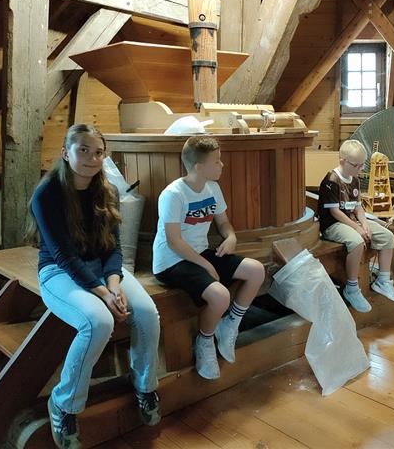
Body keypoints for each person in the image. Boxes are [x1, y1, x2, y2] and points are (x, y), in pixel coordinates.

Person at [29, 124, 161, 449]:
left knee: (147, 313)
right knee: (98, 321)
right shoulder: (47, 194)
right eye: (83, 150)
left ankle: (144, 385)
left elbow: (113, 248)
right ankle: (64, 403)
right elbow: (64, 255)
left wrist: (114, 284)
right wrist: (103, 294)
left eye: (98, 152)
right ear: (66, 153)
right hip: (58, 271)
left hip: (102, 269)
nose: (92, 157)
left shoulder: (108, 190)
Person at [152, 135, 265, 380]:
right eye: (217, 161)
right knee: (220, 295)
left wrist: (231, 237)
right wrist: (206, 265)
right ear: (198, 167)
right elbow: (173, 241)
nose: (222, 165)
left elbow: (223, 223)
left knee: (256, 270)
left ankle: (230, 324)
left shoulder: (212, 188)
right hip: (171, 261)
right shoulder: (173, 194)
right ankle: (205, 341)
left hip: (199, 253)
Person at [317, 139, 394, 313]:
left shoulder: (354, 179)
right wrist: (357, 228)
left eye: (362, 165)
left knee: (387, 236)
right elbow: (335, 212)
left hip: (352, 220)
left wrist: (365, 224)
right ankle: (352, 287)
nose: (360, 169)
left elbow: (358, 207)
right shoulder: (331, 180)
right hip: (334, 224)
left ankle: (383, 280)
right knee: (356, 242)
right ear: (343, 161)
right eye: (356, 165)